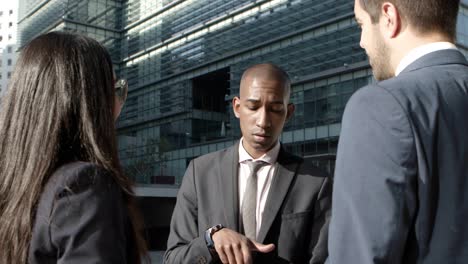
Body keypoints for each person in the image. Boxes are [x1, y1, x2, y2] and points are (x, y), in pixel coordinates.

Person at [328, 0, 468, 263]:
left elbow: (359, 256)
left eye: (361, 24)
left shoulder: (380, 105)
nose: (361, 41)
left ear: (389, 16)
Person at [0, 32, 148, 263]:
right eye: (116, 90)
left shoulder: (11, 188)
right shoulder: (83, 185)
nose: (119, 104)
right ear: (92, 101)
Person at [165, 63, 331, 264]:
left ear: (288, 113)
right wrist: (210, 240)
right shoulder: (199, 173)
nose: (263, 120)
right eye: (253, 107)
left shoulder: (315, 182)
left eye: (275, 109)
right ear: (237, 107)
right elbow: (173, 258)